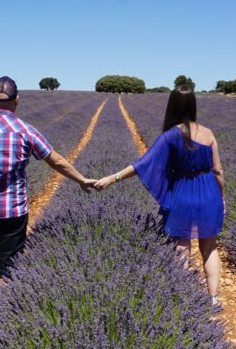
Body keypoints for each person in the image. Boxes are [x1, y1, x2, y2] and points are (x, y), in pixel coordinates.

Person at [0, 76, 95, 330]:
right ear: (17, 100)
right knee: (10, 265)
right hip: (12, 212)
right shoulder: (25, 130)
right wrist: (81, 179)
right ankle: (3, 318)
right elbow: (55, 160)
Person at [95, 86, 225, 304]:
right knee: (209, 247)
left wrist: (112, 178)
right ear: (193, 104)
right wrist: (221, 197)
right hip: (209, 192)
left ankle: (181, 298)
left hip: (183, 193)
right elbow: (219, 171)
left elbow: (142, 164)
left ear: (172, 105)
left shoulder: (171, 136)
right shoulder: (208, 133)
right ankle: (213, 298)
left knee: (182, 246)